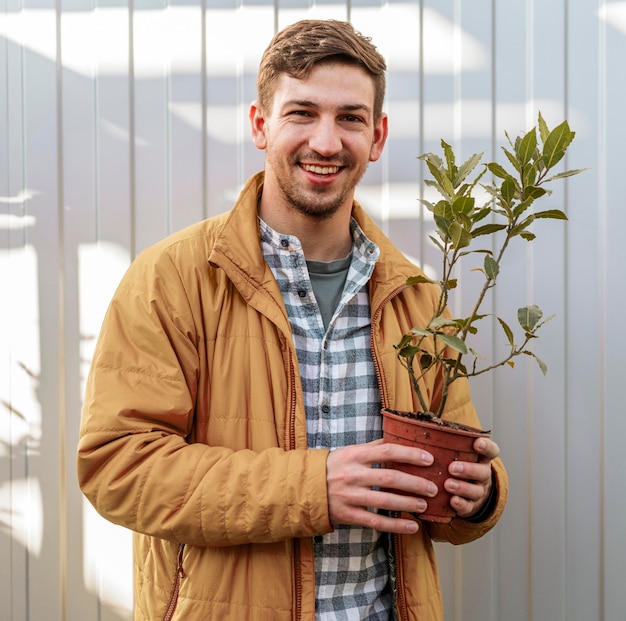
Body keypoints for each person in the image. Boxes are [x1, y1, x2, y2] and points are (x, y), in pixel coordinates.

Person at [77, 19, 508, 621]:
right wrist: (317, 487)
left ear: (378, 136)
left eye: (350, 118)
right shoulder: (172, 280)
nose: (327, 142)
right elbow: (118, 467)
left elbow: (452, 476)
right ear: (261, 124)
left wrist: (480, 496)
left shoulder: (416, 298)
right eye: (301, 113)